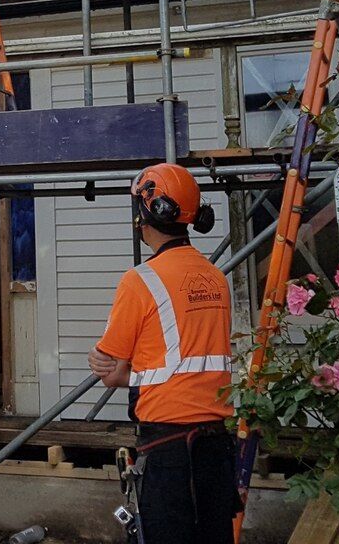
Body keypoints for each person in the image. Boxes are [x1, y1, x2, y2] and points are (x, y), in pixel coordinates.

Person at [88, 162, 238, 544]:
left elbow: (111, 368)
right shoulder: (215, 278)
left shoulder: (140, 280)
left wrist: (118, 367)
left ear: (146, 212)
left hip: (168, 445)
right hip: (216, 444)